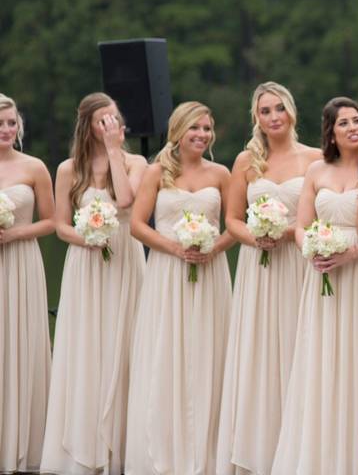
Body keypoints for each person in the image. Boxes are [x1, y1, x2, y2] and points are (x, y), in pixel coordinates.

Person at [217, 82, 323, 475]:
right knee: (261, 351)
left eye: (280, 108)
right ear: (256, 117)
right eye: (265, 111)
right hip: (259, 267)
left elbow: (318, 212)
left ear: (292, 112)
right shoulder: (247, 161)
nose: (274, 117)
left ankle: (300, 447)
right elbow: (231, 219)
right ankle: (259, 449)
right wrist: (255, 238)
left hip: (298, 262)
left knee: (300, 346)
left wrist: (293, 231)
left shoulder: (314, 158)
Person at [272, 97, 358, 474]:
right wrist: (313, 250)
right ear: (331, 133)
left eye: (357, 120)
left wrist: (348, 254)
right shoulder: (317, 170)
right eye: (343, 123)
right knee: (325, 359)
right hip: (322, 276)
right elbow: (301, 225)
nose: (353, 127)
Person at [125, 102, 234, 474]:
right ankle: (164, 451)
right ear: (178, 131)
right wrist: (174, 248)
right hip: (167, 273)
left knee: (209, 351)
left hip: (211, 272)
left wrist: (212, 248)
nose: (202, 135)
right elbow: (137, 225)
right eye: (195, 128)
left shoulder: (222, 173)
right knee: (165, 352)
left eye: (207, 128)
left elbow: (234, 224)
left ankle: (207, 452)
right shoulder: (157, 172)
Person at [42, 93, 148, 475]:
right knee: (87, 345)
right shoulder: (69, 168)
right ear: (87, 125)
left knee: (125, 344)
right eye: (102, 121)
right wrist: (86, 238)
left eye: (115, 119)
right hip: (86, 262)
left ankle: (120, 446)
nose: (110, 126)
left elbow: (125, 199)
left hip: (125, 258)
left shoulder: (135, 162)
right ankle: (83, 447)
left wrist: (115, 152)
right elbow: (60, 225)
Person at [0, 94, 54, 474]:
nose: (6, 130)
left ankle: (24, 445)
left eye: (11, 123)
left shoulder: (35, 167)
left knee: (20, 343)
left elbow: (51, 221)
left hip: (21, 262)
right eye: (0, 124)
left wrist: (16, 234)